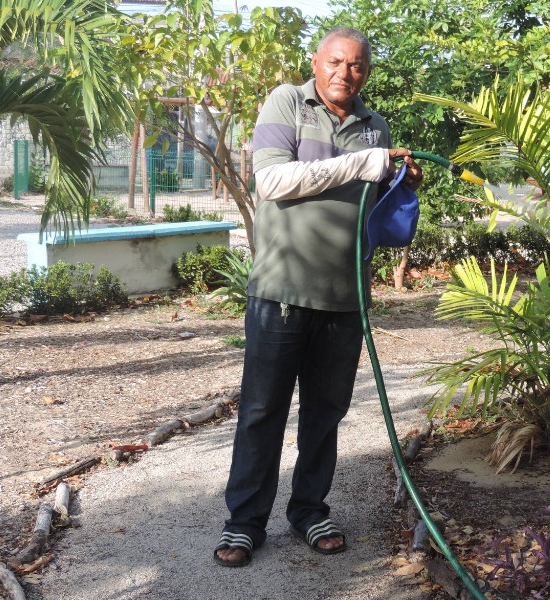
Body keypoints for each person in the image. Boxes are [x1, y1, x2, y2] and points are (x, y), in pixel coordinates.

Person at [213, 26, 423, 567]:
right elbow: (273, 182)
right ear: (316, 61)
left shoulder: (375, 126)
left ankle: (309, 509)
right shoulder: (288, 101)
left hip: (345, 296)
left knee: (325, 414)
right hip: (282, 292)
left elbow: (383, 219)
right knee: (262, 410)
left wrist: (403, 186)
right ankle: (244, 522)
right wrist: (364, 164)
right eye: (335, 62)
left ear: (367, 71)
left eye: (355, 66)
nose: (343, 74)